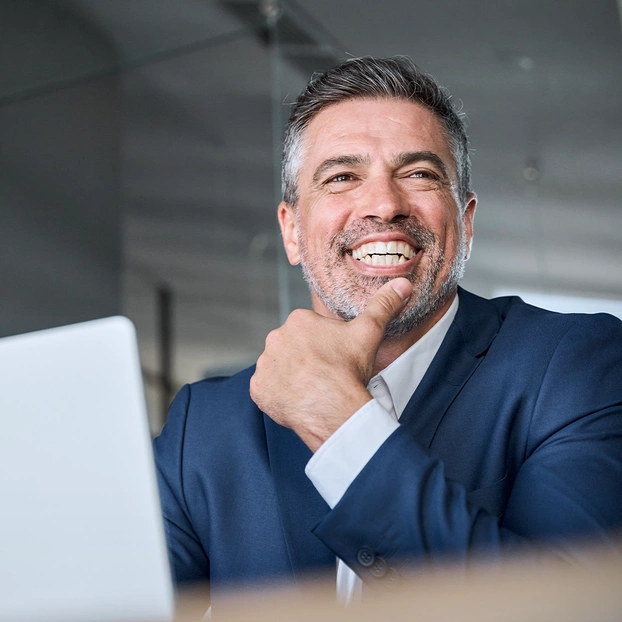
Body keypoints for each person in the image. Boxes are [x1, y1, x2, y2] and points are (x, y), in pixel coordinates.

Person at [154, 57, 622, 604]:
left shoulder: (575, 364)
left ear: (465, 223)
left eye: (419, 174)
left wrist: (338, 418)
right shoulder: (202, 426)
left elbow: (563, 610)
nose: (383, 204)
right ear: (293, 230)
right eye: (342, 177)